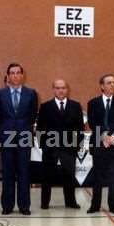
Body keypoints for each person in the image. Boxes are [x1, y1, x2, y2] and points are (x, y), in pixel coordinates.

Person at [0, 63, 38, 215]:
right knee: (8, 172)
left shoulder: (31, 93)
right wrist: (8, 126)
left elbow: (32, 115)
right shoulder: (0, 93)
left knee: (24, 172)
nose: (15, 75)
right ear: (8, 76)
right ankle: (7, 206)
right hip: (7, 136)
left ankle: (24, 206)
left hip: (24, 136)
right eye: (12, 73)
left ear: (22, 75)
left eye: (18, 72)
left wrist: (22, 127)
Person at [36, 79, 84, 209]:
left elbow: (80, 128)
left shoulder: (75, 105)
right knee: (47, 176)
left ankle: (70, 202)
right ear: (53, 90)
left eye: (63, 88)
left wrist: (77, 145)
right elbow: (40, 128)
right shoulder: (45, 106)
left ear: (67, 89)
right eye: (57, 88)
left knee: (69, 175)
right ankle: (44, 202)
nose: (61, 90)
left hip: (69, 147)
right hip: (50, 147)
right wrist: (43, 145)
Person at [87, 74, 114, 215]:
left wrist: (112, 138)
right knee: (97, 176)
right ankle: (95, 205)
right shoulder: (93, 103)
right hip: (98, 143)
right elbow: (92, 122)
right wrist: (104, 135)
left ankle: (113, 205)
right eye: (109, 83)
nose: (112, 85)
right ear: (102, 86)